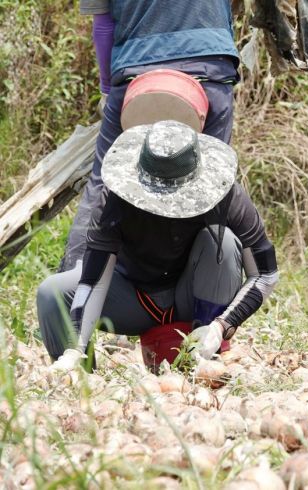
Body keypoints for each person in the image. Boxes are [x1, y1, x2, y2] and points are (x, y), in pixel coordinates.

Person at [38, 120, 279, 370]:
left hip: (194, 294)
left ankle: (204, 356)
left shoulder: (226, 195)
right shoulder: (115, 198)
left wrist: (221, 326)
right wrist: (75, 348)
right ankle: (79, 380)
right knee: (51, 293)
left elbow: (265, 273)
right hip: (133, 296)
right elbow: (94, 280)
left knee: (223, 241)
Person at [60, 0, 241, 272]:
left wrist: (110, 90)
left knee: (103, 187)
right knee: (210, 188)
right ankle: (206, 302)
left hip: (137, 71)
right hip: (209, 68)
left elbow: (103, 26)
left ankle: (72, 288)